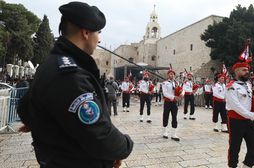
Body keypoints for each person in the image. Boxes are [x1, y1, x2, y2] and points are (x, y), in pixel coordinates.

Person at [16, 2, 133, 167]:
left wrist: (39, 122)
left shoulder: (51, 63)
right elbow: (99, 136)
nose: (99, 39)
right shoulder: (71, 76)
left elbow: (24, 106)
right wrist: (125, 146)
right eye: (98, 33)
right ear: (86, 32)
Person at [225, 62, 254, 168]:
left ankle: (246, 166)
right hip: (235, 121)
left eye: (247, 70)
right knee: (234, 147)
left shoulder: (248, 85)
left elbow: (251, 102)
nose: (247, 72)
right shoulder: (231, 87)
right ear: (236, 71)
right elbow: (236, 106)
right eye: (244, 70)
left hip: (248, 120)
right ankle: (232, 166)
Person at [162, 69, 183, 141]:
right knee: (166, 116)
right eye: (170, 74)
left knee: (174, 117)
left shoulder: (176, 83)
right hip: (167, 102)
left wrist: (181, 95)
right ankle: (165, 132)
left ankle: (174, 134)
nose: (172, 75)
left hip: (174, 103)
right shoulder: (165, 83)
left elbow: (181, 90)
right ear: (168, 75)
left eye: (173, 74)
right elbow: (165, 93)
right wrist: (174, 97)